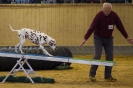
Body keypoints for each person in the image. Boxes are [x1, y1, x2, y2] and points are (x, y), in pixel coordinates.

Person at [80, 3, 133, 82]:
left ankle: (108, 76)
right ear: (103, 9)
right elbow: (92, 27)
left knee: (110, 57)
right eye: (105, 10)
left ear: (111, 10)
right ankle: (92, 74)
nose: (107, 12)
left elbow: (120, 27)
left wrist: (127, 37)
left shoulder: (114, 15)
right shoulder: (98, 16)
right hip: (98, 38)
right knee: (97, 55)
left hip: (109, 39)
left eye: (108, 11)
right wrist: (85, 38)